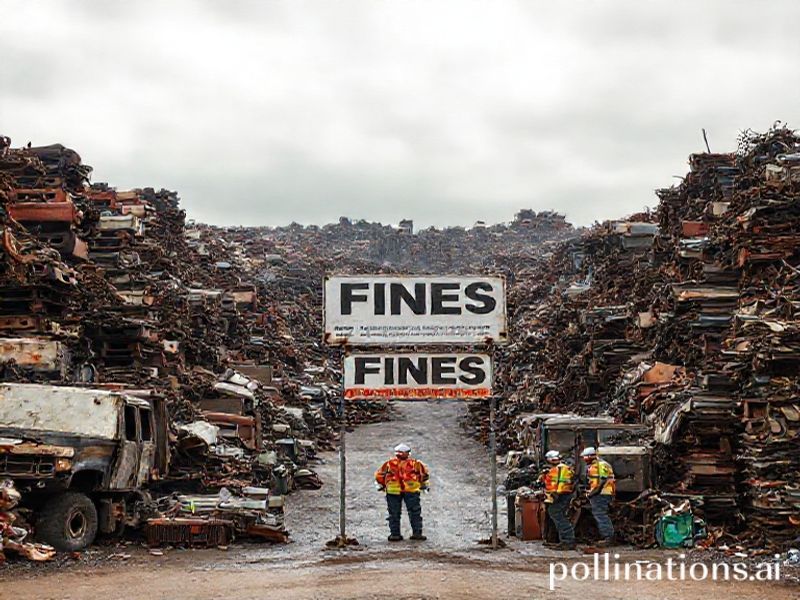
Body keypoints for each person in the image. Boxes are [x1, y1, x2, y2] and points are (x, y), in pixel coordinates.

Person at [374, 443, 430, 541]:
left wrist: (383, 485)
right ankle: (417, 533)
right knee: (414, 512)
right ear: (408, 453)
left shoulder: (389, 463)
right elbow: (424, 475)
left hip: (393, 491)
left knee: (394, 513)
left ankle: (395, 534)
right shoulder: (415, 463)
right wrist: (422, 485)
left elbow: (380, 475)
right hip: (411, 490)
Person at [540, 450, 576, 550]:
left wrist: (557, 494)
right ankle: (561, 539)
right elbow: (549, 482)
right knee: (555, 514)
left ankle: (568, 540)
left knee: (558, 514)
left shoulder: (562, 468)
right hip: (557, 495)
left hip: (561, 495)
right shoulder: (555, 469)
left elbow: (562, 483)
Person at [581, 447, 616, 546]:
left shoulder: (600, 465)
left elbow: (601, 482)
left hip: (601, 494)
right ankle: (606, 536)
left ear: (590, 456)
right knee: (599, 514)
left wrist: (592, 493)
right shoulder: (596, 465)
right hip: (601, 493)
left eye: (585, 457)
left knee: (600, 514)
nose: (584, 459)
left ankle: (608, 537)